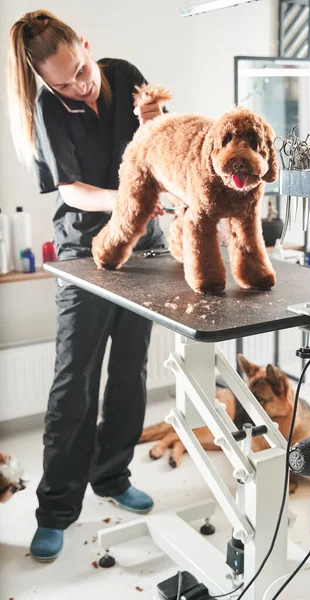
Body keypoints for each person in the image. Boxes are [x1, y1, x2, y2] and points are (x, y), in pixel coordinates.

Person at [7, 10, 166, 562]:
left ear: (87, 46)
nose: (81, 83)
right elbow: (72, 191)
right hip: (84, 253)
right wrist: (124, 201)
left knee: (130, 368)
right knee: (75, 379)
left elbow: (153, 149)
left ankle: (113, 475)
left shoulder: (122, 75)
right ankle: (56, 508)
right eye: (65, 81)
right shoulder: (46, 109)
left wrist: (153, 121)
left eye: (81, 68)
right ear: (47, 84)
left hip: (143, 244)